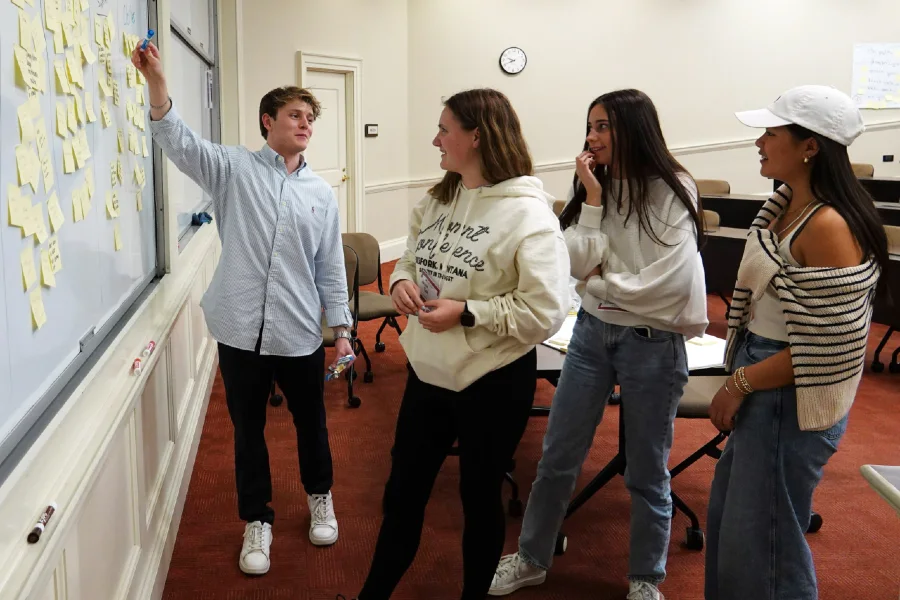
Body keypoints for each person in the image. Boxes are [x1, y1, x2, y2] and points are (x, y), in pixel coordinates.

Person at [132, 42, 356, 575]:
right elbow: (178, 141)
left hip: (300, 329)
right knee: (247, 429)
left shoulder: (321, 195)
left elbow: (329, 264)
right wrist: (158, 81)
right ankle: (257, 521)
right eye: (294, 115)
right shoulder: (232, 168)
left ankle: (319, 496)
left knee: (312, 424)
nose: (305, 123)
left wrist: (342, 327)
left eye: (310, 117)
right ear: (267, 120)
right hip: (238, 329)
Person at [343, 88, 571, 600]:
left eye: (444, 129)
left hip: (491, 381)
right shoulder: (440, 197)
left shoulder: (529, 216)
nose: (435, 139)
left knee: (478, 498)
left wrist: (469, 313)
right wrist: (401, 280)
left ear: (477, 135)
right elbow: (412, 259)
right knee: (401, 495)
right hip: (428, 375)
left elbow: (545, 310)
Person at [489, 89, 708, 600]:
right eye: (590, 126)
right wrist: (590, 198)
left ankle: (645, 579)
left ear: (635, 127)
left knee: (648, 469)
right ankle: (531, 558)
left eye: (604, 126)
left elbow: (671, 284)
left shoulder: (675, 187)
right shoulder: (597, 186)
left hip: (654, 344)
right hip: (590, 335)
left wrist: (602, 285)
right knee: (557, 457)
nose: (592, 137)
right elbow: (574, 262)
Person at [705, 85, 888, 600]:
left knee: (766, 546)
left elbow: (832, 349)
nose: (759, 142)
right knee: (737, 531)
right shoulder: (784, 207)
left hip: (788, 394)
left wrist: (740, 382)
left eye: (771, 132)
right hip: (769, 379)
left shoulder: (826, 225)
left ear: (811, 145)